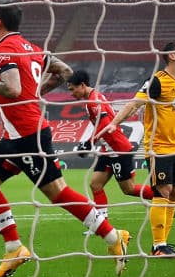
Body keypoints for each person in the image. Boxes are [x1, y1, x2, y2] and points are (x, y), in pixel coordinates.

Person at [0, 3, 130, 277]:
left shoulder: (4, 50)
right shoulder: (32, 48)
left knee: (58, 193)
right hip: (14, 137)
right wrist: (36, 92)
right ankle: (14, 248)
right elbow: (65, 70)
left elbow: (12, 89)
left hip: (28, 136)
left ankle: (113, 236)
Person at [104, 41, 175, 256]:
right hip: (159, 147)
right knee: (163, 191)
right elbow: (134, 104)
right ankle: (158, 245)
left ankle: (164, 243)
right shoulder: (157, 81)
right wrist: (114, 123)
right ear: (172, 56)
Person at [66, 69, 154, 218]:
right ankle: (101, 222)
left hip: (118, 148)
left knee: (129, 189)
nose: (71, 93)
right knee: (95, 184)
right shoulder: (93, 98)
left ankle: (165, 198)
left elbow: (105, 123)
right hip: (107, 149)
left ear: (82, 85)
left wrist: (90, 142)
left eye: (72, 89)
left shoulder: (94, 100)